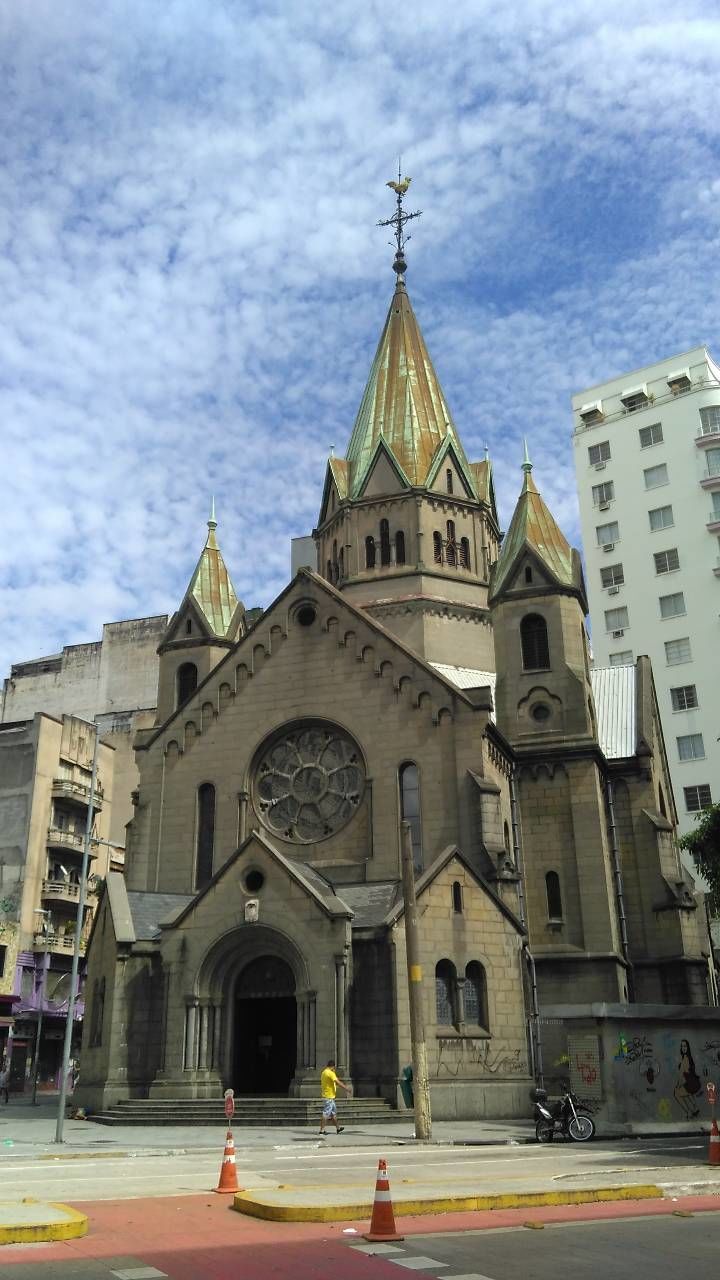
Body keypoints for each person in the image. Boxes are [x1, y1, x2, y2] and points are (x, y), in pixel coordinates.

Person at [319, 1058, 350, 1137]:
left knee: (333, 1114)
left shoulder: (324, 1072)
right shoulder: (330, 1073)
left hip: (328, 1096)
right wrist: (346, 1088)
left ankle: (338, 1128)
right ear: (333, 1066)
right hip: (329, 1097)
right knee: (326, 1113)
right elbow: (337, 1082)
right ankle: (321, 1131)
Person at [673, 1038, 702, 1119]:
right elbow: (687, 1074)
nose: (683, 1048)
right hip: (695, 1083)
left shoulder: (685, 1059)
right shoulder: (689, 1057)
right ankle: (695, 1108)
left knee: (676, 1093)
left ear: (688, 1047)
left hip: (692, 1084)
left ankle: (688, 1112)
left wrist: (677, 1086)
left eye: (685, 1046)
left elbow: (681, 1075)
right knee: (685, 1090)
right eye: (682, 1046)